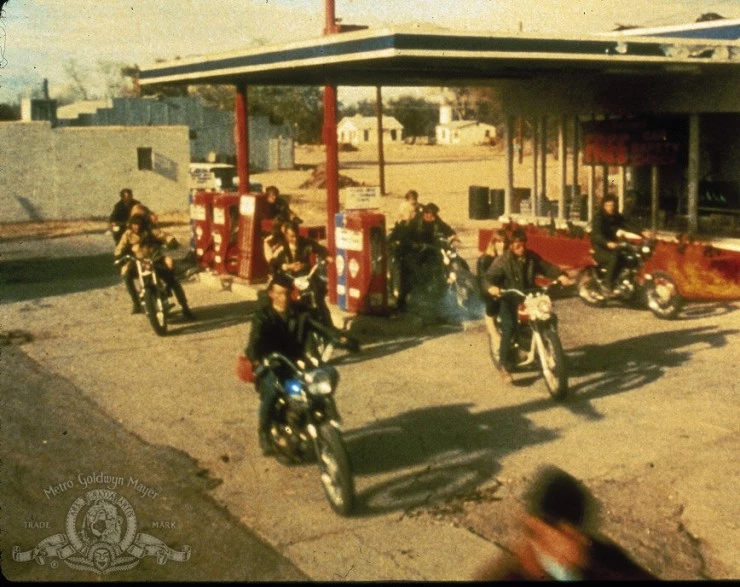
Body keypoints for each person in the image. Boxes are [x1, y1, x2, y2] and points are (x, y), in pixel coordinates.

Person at [473, 465, 658, 581]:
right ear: (536, 528)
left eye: (581, 535)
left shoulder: (602, 558)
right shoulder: (505, 576)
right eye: (567, 535)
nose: (580, 544)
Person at [244, 273, 358, 455]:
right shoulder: (262, 316)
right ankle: (263, 432)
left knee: (324, 380)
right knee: (272, 389)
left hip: (297, 362)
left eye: (286, 293)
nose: (283, 298)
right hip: (272, 363)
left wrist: (341, 339)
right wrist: (257, 357)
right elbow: (255, 341)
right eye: (279, 293)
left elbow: (321, 328)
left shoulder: (301, 313)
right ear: (271, 294)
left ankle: (327, 417)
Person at [483, 227, 571, 382]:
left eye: (523, 244)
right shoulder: (503, 261)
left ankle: (551, 349)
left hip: (529, 295)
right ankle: (503, 365)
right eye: (517, 245)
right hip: (509, 298)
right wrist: (491, 287)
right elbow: (488, 277)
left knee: (548, 318)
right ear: (511, 245)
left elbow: (546, 267)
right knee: (509, 327)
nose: (521, 248)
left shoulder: (531, 257)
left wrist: (561, 275)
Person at [114, 214, 196, 320]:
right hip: (138, 261)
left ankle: (185, 307)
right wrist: (119, 256)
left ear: (143, 224)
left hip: (155, 259)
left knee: (172, 279)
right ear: (131, 225)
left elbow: (164, 235)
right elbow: (120, 247)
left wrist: (171, 241)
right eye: (134, 224)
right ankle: (136, 303)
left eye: (139, 224)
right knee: (126, 275)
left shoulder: (150, 231)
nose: (137, 227)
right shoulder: (128, 234)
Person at [269, 221, 334, 325]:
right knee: (278, 297)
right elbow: (273, 263)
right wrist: (287, 266)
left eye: (296, 236)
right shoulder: (281, 247)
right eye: (291, 236)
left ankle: (328, 325)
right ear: (286, 235)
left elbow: (320, 249)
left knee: (317, 296)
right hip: (287, 277)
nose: (295, 239)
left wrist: (327, 257)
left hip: (305, 276)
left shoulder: (306, 243)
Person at [591, 194, 643, 297]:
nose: (611, 208)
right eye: (608, 205)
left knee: (630, 256)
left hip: (615, 246)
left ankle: (628, 282)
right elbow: (596, 235)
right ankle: (607, 285)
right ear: (603, 206)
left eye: (613, 205)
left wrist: (642, 232)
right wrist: (607, 243)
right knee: (614, 257)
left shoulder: (616, 216)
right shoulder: (599, 218)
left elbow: (627, 224)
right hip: (600, 248)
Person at [477, 229, 507, 364]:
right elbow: (483, 280)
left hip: (506, 290)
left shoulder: (509, 257)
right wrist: (491, 289)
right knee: (492, 307)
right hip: (489, 292)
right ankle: (494, 334)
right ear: (493, 243)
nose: (502, 245)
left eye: (505, 242)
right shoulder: (484, 259)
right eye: (499, 242)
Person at [388, 200, 418, 312]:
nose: (415, 214)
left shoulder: (411, 224)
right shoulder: (402, 225)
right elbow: (396, 239)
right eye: (412, 212)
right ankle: (400, 302)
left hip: (408, 255)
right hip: (403, 256)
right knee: (403, 280)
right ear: (407, 213)